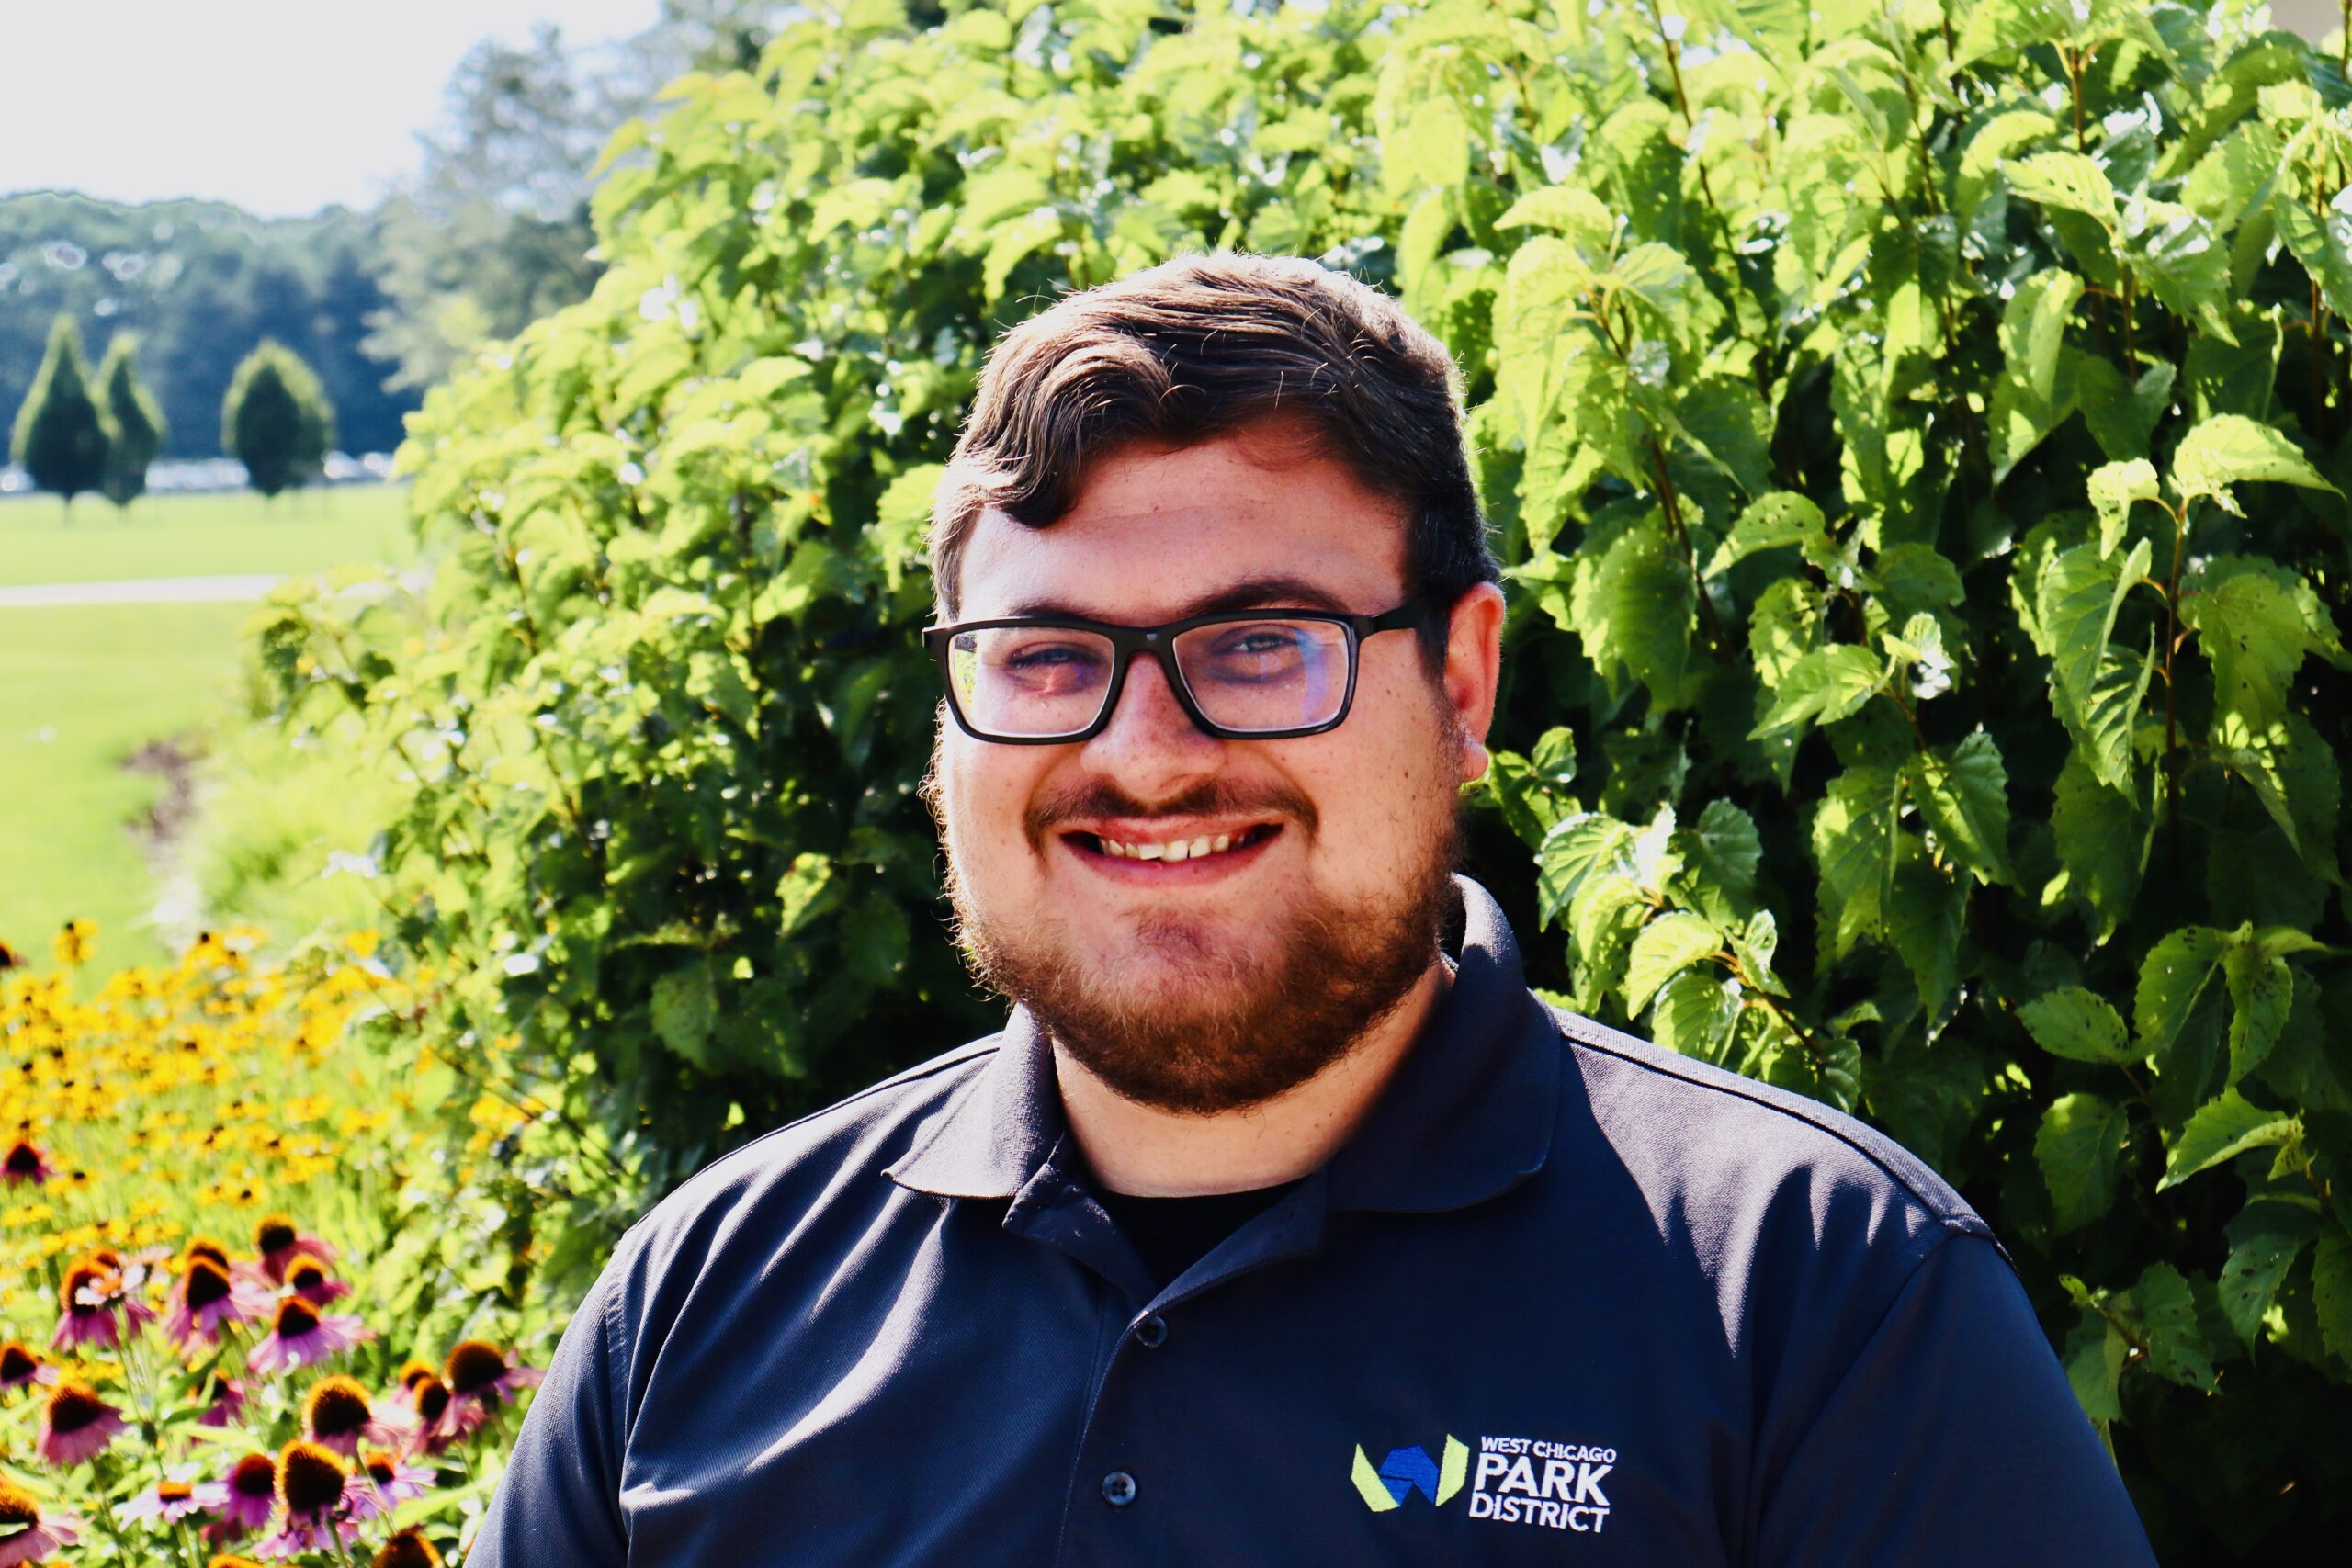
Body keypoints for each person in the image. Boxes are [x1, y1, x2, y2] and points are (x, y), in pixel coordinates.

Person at [468, 252, 2156, 1564]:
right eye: (1046, 657)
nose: (1145, 754)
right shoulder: (704, 1309)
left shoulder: (1815, 1297)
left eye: (1259, 645)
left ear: (1466, 680)